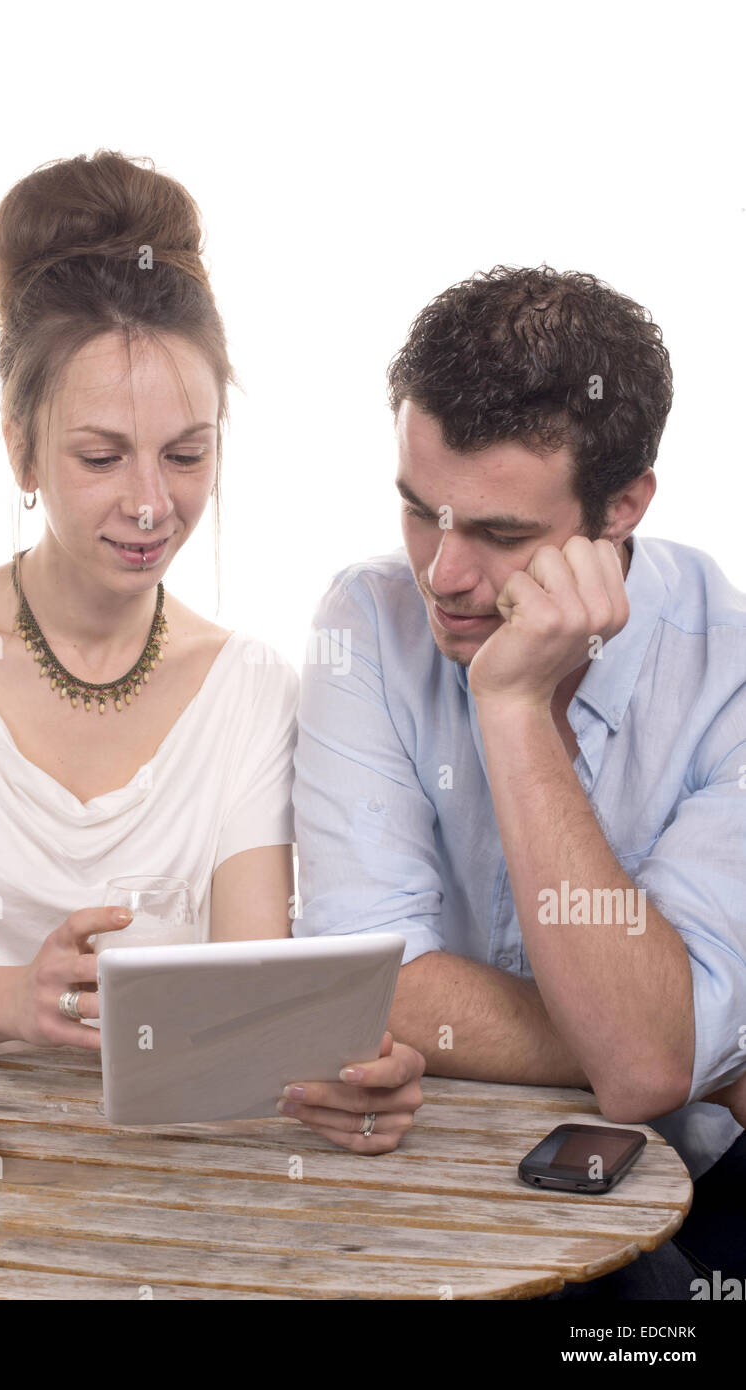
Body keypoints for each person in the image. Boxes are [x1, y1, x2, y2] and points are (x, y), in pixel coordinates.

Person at [0, 149, 423, 1153]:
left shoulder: (246, 686)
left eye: (187, 454)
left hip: (163, 1166)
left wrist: (338, 1069)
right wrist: (11, 998)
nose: (151, 503)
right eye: (100, 456)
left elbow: (253, 978)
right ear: (21, 448)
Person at [292, 265, 746, 1291]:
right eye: (419, 511)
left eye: (499, 535)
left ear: (622, 506)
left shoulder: (728, 670)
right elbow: (367, 982)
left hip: (681, 1191)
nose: (442, 575)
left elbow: (638, 1070)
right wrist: (685, 1050)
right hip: (418, 1173)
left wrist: (511, 710)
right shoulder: (364, 621)